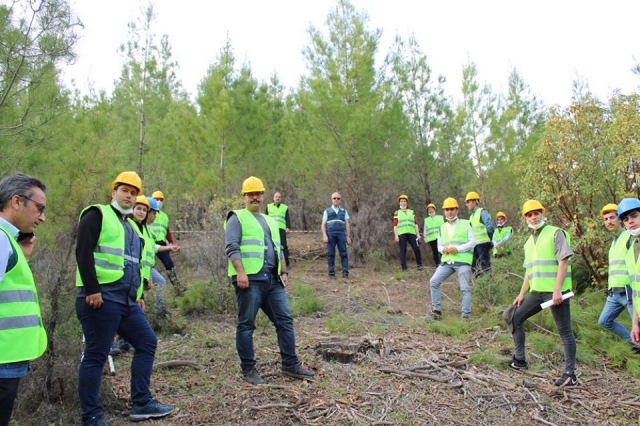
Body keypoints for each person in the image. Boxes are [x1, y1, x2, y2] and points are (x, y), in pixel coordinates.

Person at [75, 172, 174, 425]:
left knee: (147, 342)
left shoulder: (131, 227)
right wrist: (92, 289)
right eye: (124, 191)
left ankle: (141, 403)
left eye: (133, 192)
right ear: (114, 192)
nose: (129, 196)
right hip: (101, 297)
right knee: (97, 355)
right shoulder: (97, 214)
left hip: (126, 300)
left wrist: (138, 294)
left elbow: (136, 264)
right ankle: (92, 417)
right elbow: (83, 252)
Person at [224, 176, 315, 385]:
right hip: (250, 280)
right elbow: (231, 247)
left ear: (263, 196)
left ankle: (290, 364)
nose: (255, 197)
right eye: (251, 194)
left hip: (273, 280)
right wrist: (240, 272)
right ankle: (248, 369)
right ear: (244, 196)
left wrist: (284, 271)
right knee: (246, 324)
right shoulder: (236, 217)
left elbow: (279, 248)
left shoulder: (270, 221)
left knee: (285, 320)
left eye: (258, 193)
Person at [508, 200, 577, 387]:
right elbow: (529, 271)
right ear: (525, 218)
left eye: (536, 213)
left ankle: (570, 374)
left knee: (564, 331)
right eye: (529, 215)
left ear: (542, 213)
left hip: (556, 292)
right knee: (515, 318)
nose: (533, 217)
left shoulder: (556, 233)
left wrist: (557, 290)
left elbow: (563, 262)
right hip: (536, 292)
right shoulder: (528, 242)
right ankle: (520, 360)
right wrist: (522, 293)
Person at [0, 173, 47, 426]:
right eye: (39, 208)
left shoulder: (7, 241)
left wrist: (21, 256)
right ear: (16, 201)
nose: (42, 217)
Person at [596, 203, 638, 351]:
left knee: (638, 325)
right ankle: (636, 345)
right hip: (614, 293)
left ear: (619, 219)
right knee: (604, 321)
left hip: (629, 292)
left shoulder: (629, 236)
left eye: (612, 217)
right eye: (606, 219)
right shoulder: (614, 241)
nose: (609, 221)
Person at [429, 197, 476, 319]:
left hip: (462, 262)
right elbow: (439, 245)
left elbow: (472, 242)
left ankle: (465, 316)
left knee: (464, 287)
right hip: (446, 262)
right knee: (434, 281)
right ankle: (436, 311)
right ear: (444, 211)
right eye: (447, 209)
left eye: (452, 209)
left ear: (456, 210)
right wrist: (442, 249)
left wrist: (457, 249)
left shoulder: (466, 224)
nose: (449, 212)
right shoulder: (442, 227)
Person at [149, 190, 184, 295]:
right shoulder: (148, 213)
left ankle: (177, 286)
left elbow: (167, 230)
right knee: (149, 265)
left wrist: (171, 243)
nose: (159, 201)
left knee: (169, 264)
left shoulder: (164, 216)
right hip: (150, 243)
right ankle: (148, 287)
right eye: (156, 199)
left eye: (161, 199)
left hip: (162, 244)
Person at [617, 199, 640, 350]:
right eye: (626, 219)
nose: (630, 221)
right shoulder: (631, 250)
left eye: (634, 216)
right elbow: (635, 290)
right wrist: (634, 324)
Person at [321, 192, 351, 278]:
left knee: (344, 253)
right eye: (334, 198)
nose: (336, 200)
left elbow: (347, 224)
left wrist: (348, 236)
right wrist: (324, 235)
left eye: (338, 198)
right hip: (330, 235)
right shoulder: (327, 211)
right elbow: (323, 224)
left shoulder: (344, 211)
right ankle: (331, 274)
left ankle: (345, 273)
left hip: (341, 234)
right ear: (331, 200)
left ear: (340, 200)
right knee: (331, 254)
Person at [465, 191, 494, 276]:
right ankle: (479, 284)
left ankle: (489, 283)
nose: (467, 204)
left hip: (483, 243)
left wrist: (490, 239)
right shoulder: (471, 216)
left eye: (468, 202)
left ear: (475, 201)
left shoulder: (482, 212)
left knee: (485, 265)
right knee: (474, 266)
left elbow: (490, 227)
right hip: (475, 245)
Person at [393, 195, 423, 271]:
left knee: (416, 248)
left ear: (407, 203)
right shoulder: (397, 213)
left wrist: (418, 234)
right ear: (399, 203)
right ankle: (404, 267)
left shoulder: (411, 212)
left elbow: (416, 223)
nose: (403, 203)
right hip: (402, 233)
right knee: (403, 250)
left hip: (412, 233)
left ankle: (420, 266)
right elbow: (395, 225)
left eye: (404, 201)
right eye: (401, 201)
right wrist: (396, 236)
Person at [266, 192, 291, 268]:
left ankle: (286, 263)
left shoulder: (285, 207)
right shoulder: (268, 207)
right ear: (273, 198)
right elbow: (265, 217)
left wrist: (288, 227)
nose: (277, 198)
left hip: (281, 229)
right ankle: (273, 262)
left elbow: (287, 218)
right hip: (271, 229)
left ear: (281, 198)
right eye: (276, 197)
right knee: (271, 245)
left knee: (283, 246)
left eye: (279, 197)